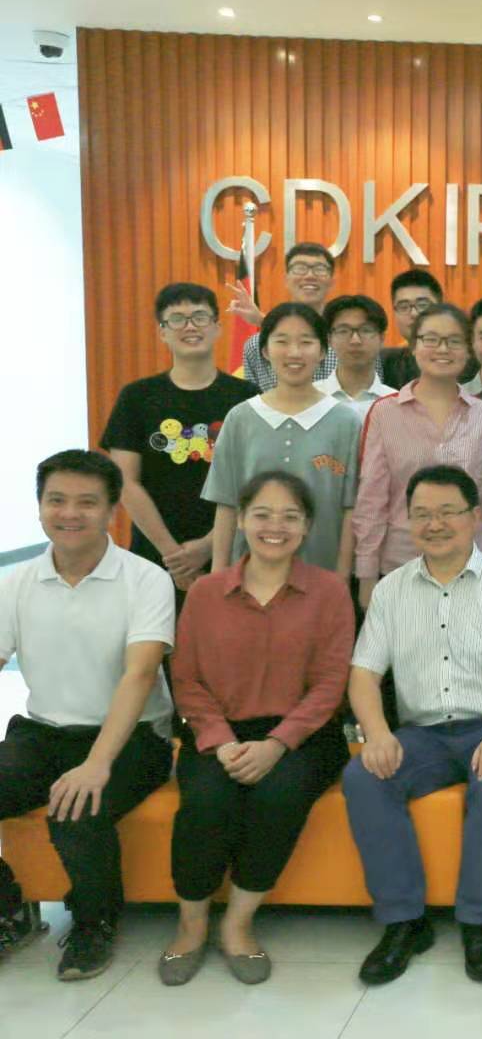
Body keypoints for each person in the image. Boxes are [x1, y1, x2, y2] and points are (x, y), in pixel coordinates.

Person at [342, 465, 482, 986]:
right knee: (364, 776)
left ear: (475, 516)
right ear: (407, 521)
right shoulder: (391, 591)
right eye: (422, 514)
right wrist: (377, 734)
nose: (435, 524)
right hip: (422, 735)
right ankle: (404, 922)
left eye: (448, 512)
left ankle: (479, 923)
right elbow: (363, 674)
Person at [160, 471, 352, 987]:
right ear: (241, 520)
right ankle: (190, 927)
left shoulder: (329, 592)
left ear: (306, 527)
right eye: (262, 514)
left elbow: (330, 684)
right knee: (206, 802)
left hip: (304, 734)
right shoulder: (206, 592)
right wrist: (221, 742)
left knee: (277, 796)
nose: (275, 526)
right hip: (217, 729)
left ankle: (238, 925)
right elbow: (186, 678)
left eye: (290, 516)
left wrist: (277, 744)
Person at [0, 451, 176, 980]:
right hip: (42, 733)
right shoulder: (15, 582)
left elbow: (139, 675)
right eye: (56, 500)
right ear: (39, 507)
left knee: (76, 809)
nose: (70, 514)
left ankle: (94, 923)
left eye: (86, 503)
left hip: (132, 738)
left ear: (111, 510)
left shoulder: (145, 579)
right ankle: (9, 905)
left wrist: (97, 764)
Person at [100, 282, 258, 592]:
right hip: (154, 555)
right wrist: (172, 555)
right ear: (162, 332)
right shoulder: (137, 397)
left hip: (230, 552)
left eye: (200, 317)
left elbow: (255, 480)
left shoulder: (247, 396)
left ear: (217, 327)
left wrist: (209, 546)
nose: (190, 326)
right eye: (177, 319)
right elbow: (126, 482)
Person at [353, 304, 482, 608]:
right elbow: (371, 499)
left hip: (470, 568)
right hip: (401, 565)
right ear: (414, 346)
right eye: (431, 339)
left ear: (468, 349)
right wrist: (366, 576)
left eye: (454, 340)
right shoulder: (385, 412)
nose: (442, 349)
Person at [203, 303, 361, 576]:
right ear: (265, 350)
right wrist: (218, 578)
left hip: (320, 578)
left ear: (323, 351)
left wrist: (342, 579)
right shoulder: (240, 418)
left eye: (306, 342)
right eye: (282, 341)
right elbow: (226, 504)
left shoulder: (346, 421)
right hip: (247, 579)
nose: (294, 352)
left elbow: (351, 510)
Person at [235, 243, 340, 391]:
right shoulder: (256, 346)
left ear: (332, 282)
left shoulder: (348, 342)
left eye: (320, 269)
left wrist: (264, 321)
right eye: (300, 268)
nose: (309, 276)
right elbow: (252, 397)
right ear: (286, 279)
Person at [379, 270, 475, 388]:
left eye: (422, 305)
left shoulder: (471, 361)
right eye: (404, 307)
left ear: (441, 307)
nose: (414, 313)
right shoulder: (385, 364)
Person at [314, 294, 396, 415]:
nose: (355, 340)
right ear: (329, 339)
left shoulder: (397, 403)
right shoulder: (309, 399)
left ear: (382, 338)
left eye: (366, 330)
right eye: (343, 331)